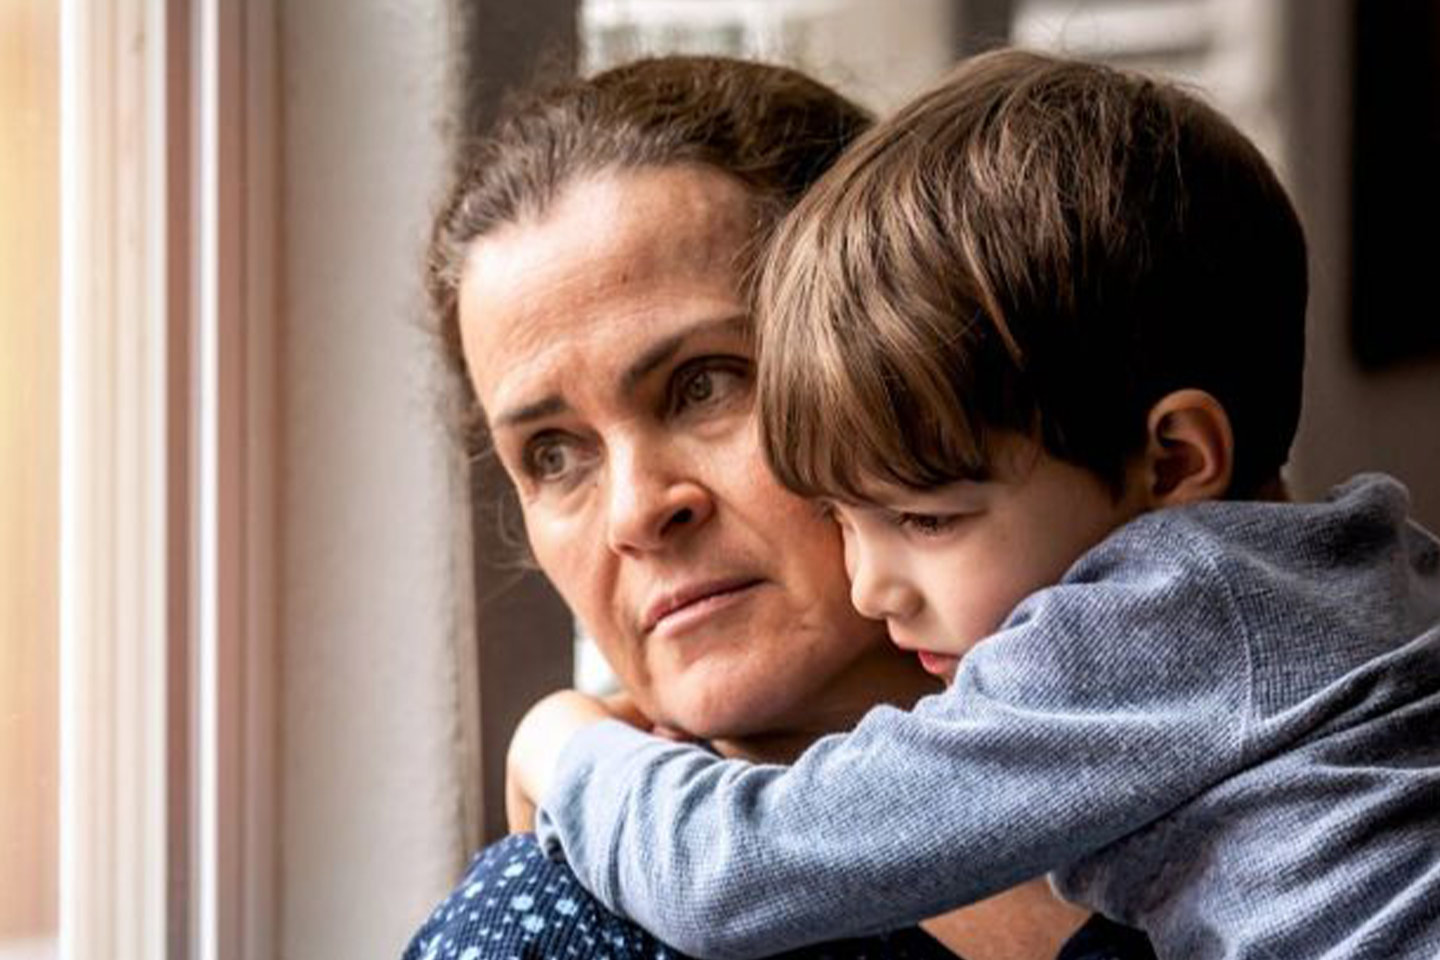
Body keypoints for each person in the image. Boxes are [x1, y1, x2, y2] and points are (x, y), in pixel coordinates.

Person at [513, 49, 1440, 960]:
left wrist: (564, 754)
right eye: (841, 515)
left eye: (927, 520)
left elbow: (736, 872)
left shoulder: (1157, 623)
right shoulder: (1375, 554)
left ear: (1173, 460)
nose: (874, 586)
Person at [403, 54, 1157, 960]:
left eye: (705, 385)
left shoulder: (1258, 761)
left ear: (897, 359)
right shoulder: (552, 931)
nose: (637, 513)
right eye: (553, 455)